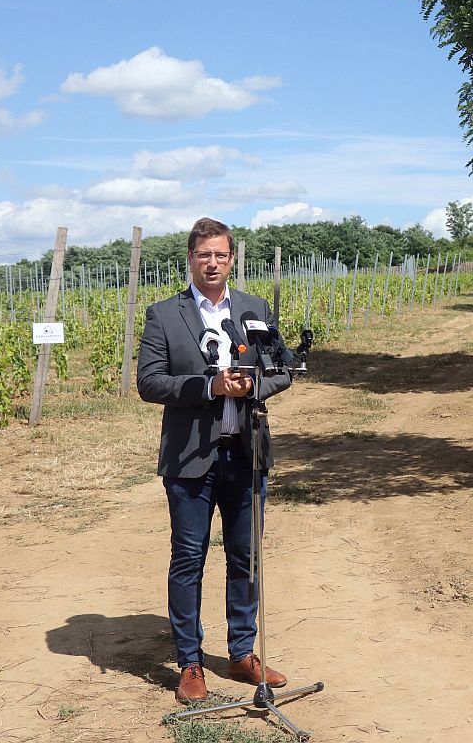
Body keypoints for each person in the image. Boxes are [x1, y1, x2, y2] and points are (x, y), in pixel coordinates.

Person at [137, 217, 292, 703]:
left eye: (220, 255)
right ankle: (190, 662)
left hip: (246, 454)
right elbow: (149, 382)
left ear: (231, 259)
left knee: (246, 556)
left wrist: (252, 385)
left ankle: (242, 653)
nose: (212, 263)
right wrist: (210, 386)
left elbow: (282, 369)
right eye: (204, 255)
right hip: (190, 460)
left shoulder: (254, 308)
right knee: (189, 558)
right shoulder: (165, 315)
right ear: (190, 259)